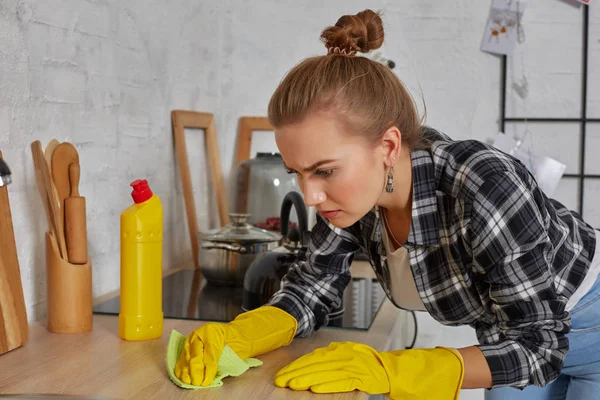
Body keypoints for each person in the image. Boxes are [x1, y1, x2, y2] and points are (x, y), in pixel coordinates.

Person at [174, 9, 600, 400]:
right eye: (296, 172)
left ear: (389, 145)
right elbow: (313, 286)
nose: (310, 196)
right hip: (513, 333)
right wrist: (241, 334)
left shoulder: (484, 183)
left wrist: (397, 369)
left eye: (323, 171)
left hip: (585, 322)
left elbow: (540, 345)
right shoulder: (353, 198)